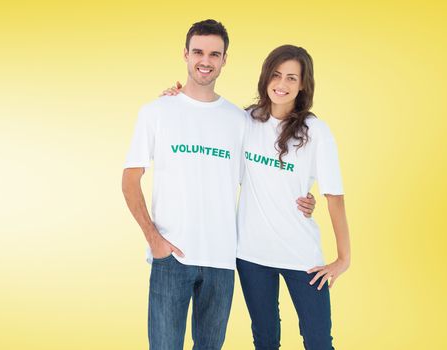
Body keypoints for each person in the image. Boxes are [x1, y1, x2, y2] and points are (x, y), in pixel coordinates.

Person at [121, 20, 316, 350]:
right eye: (198, 52)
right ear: (185, 54)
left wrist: (304, 197)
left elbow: (264, 173)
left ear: (225, 59)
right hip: (171, 257)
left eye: (214, 54)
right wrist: (155, 240)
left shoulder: (240, 120)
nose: (205, 61)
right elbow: (129, 181)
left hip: (222, 260)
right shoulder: (156, 112)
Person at [163, 45, 350, 350]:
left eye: (292, 78)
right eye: (276, 75)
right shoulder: (245, 120)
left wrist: (343, 259)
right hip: (251, 255)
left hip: (301, 256)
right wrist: (176, 100)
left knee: (318, 341)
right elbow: (204, 124)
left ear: (303, 84)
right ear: (265, 78)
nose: (282, 84)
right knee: (264, 340)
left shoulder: (317, 132)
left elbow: (334, 196)